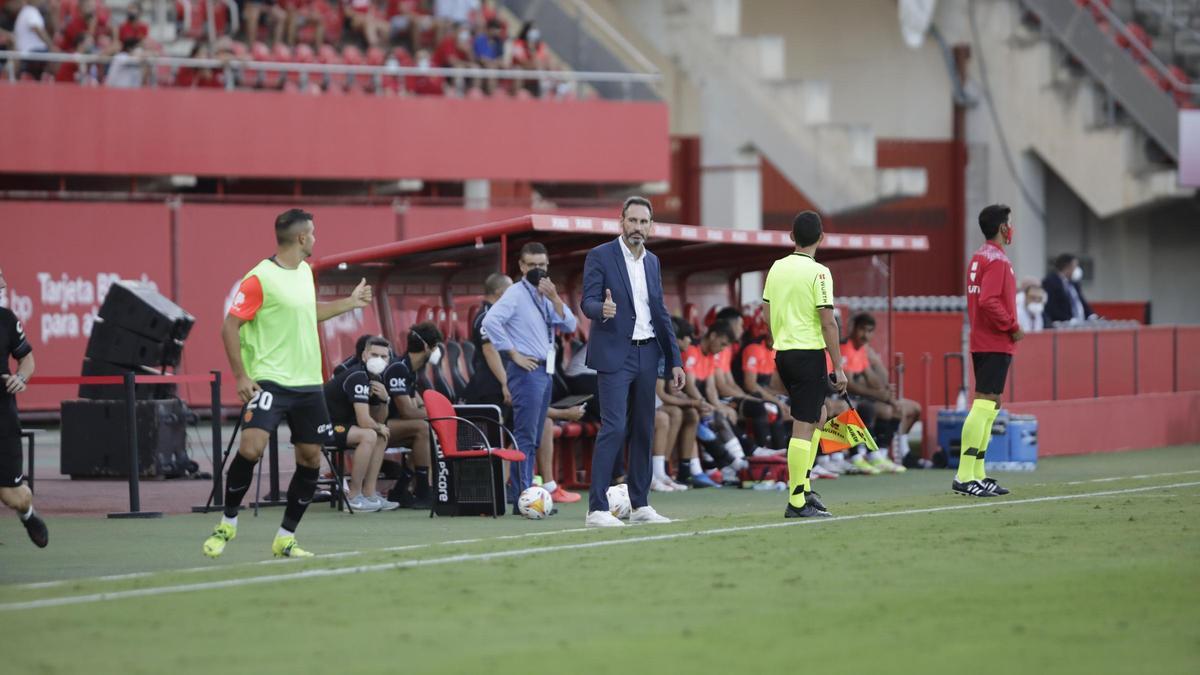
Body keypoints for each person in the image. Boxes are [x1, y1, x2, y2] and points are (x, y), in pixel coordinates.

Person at [203, 208, 373, 559]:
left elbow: (307, 312)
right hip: (270, 380)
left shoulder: (305, 273)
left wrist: (350, 303)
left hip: (309, 383)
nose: (315, 238)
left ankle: (285, 537)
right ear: (300, 238)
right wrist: (241, 376)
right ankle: (227, 524)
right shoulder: (259, 278)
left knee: (311, 458)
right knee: (251, 447)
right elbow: (228, 327)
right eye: (312, 233)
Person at [580, 197, 683, 527]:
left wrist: (675, 360)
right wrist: (602, 310)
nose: (638, 227)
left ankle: (640, 505)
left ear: (651, 226)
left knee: (644, 428)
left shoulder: (652, 262)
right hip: (614, 353)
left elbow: (660, 312)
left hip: (648, 353)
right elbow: (587, 302)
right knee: (615, 426)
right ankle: (596, 509)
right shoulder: (600, 256)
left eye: (644, 222)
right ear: (621, 222)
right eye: (633, 220)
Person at [762, 210, 847, 518]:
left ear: (791, 237)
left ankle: (805, 487)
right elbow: (828, 322)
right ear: (821, 238)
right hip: (809, 354)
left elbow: (766, 314)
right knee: (803, 426)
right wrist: (838, 365)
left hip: (784, 353)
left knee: (819, 415)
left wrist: (777, 343)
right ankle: (797, 501)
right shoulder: (820, 272)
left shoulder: (776, 268)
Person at [481, 242, 576, 514]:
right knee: (525, 436)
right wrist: (513, 354)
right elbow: (490, 322)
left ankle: (528, 496)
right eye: (532, 265)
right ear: (522, 267)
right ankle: (522, 497)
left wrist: (556, 298)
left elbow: (569, 324)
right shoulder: (515, 293)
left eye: (542, 265)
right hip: (526, 370)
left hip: (544, 370)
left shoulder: (545, 293)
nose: (538, 270)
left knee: (532, 436)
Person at [958, 204, 1021, 497]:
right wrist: (1011, 325)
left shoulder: (979, 257)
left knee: (991, 403)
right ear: (1001, 227)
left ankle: (978, 473)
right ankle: (964, 474)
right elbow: (988, 301)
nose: (1011, 228)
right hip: (994, 340)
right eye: (1009, 222)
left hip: (984, 339)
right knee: (984, 403)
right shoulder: (997, 261)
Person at [323, 335, 398, 512]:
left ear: (389, 359)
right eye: (374, 355)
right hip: (324, 426)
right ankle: (354, 496)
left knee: (380, 435)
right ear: (364, 356)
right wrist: (378, 426)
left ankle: (370, 493)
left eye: (383, 356)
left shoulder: (376, 379)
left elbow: (379, 419)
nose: (378, 360)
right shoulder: (357, 375)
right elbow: (365, 421)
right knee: (370, 434)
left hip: (345, 427)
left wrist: (385, 399)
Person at [0, 267, 46, 548]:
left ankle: (28, 515)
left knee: (14, 496)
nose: (4, 282)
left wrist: (20, 377)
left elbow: (27, 360)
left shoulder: (6, 320)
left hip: (2, 417)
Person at [840, 312, 915, 472]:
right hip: (843, 397)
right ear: (853, 329)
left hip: (857, 397)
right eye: (862, 330)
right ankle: (857, 455)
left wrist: (886, 394)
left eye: (869, 331)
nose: (865, 335)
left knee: (894, 409)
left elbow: (871, 377)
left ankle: (879, 455)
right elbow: (849, 385)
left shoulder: (861, 350)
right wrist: (878, 395)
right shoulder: (846, 348)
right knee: (868, 408)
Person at [383, 321, 442, 509]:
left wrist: (434, 413)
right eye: (435, 347)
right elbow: (408, 412)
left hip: (392, 424)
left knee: (429, 429)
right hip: (375, 424)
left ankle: (401, 489)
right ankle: (423, 490)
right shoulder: (398, 368)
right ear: (427, 347)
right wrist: (438, 414)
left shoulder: (411, 370)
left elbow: (417, 405)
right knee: (423, 427)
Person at [1042, 253, 1094, 326]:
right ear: (1067, 266)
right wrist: (1069, 319)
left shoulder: (1074, 283)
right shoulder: (1050, 282)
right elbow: (1051, 307)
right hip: (1063, 324)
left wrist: (1091, 315)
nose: (1077, 269)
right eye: (1075, 266)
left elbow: (1081, 301)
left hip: (1081, 323)